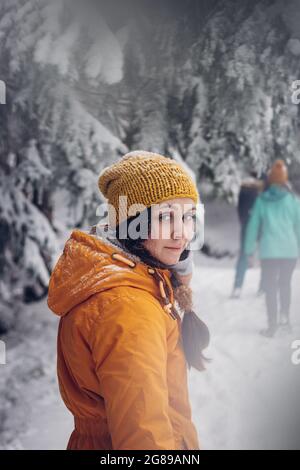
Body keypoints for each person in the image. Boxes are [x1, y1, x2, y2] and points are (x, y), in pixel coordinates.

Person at [47, 151, 209, 450]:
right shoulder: (126, 306)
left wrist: (179, 271)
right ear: (133, 223)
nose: (182, 233)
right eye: (164, 216)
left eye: (187, 217)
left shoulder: (134, 279)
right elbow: (143, 437)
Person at [244, 160, 300, 338]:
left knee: (270, 288)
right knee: (285, 284)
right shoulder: (293, 200)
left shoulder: (262, 200)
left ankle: (272, 326)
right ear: (284, 180)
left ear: (270, 180)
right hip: (289, 251)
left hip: (269, 252)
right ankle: (284, 318)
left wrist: (248, 251)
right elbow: (298, 227)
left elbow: (253, 227)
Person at [231, 171, 265, 299]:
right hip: (262, 227)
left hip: (246, 226)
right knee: (264, 256)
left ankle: (237, 287)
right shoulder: (262, 190)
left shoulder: (243, 188)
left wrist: (244, 224)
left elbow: (240, 209)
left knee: (243, 256)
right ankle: (263, 287)